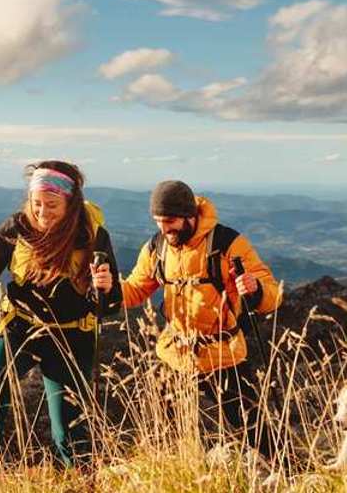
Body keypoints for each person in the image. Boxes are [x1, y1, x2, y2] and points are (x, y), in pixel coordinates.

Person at [0, 160, 122, 476]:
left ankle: (79, 478)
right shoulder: (17, 227)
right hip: (18, 325)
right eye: (37, 203)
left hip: (71, 335)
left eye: (52, 205)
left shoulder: (92, 236)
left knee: (69, 426)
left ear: (71, 203)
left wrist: (107, 288)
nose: (43, 212)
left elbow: (109, 304)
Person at [120, 180, 282, 457]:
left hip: (223, 354)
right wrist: (107, 289)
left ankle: (286, 469)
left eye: (170, 221)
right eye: (158, 221)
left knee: (252, 428)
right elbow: (135, 290)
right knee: (166, 432)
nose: (164, 229)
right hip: (175, 354)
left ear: (189, 215)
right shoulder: (157, 247)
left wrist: (255, 288)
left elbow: (273, 295)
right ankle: (182, 471)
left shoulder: (227, 244)